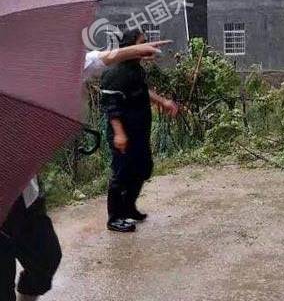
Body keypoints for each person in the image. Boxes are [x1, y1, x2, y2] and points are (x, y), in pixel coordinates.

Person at [0, 38, 171, 301]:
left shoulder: (15, 70)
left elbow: (75, 66)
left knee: (46, 259)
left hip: (23, 195)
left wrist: (128, 52)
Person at [100, 29, 178, 232]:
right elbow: (111, 106)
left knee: (142, 169)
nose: (146, 46)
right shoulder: (114, 72)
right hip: (123, 135)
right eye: (142, 42)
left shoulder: (135, 68)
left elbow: (143, 90)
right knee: (122, 173)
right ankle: (115, 218)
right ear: (131, 46)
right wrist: (118, 133)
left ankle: (129, 207)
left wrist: (163, 102)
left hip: (139, 131)